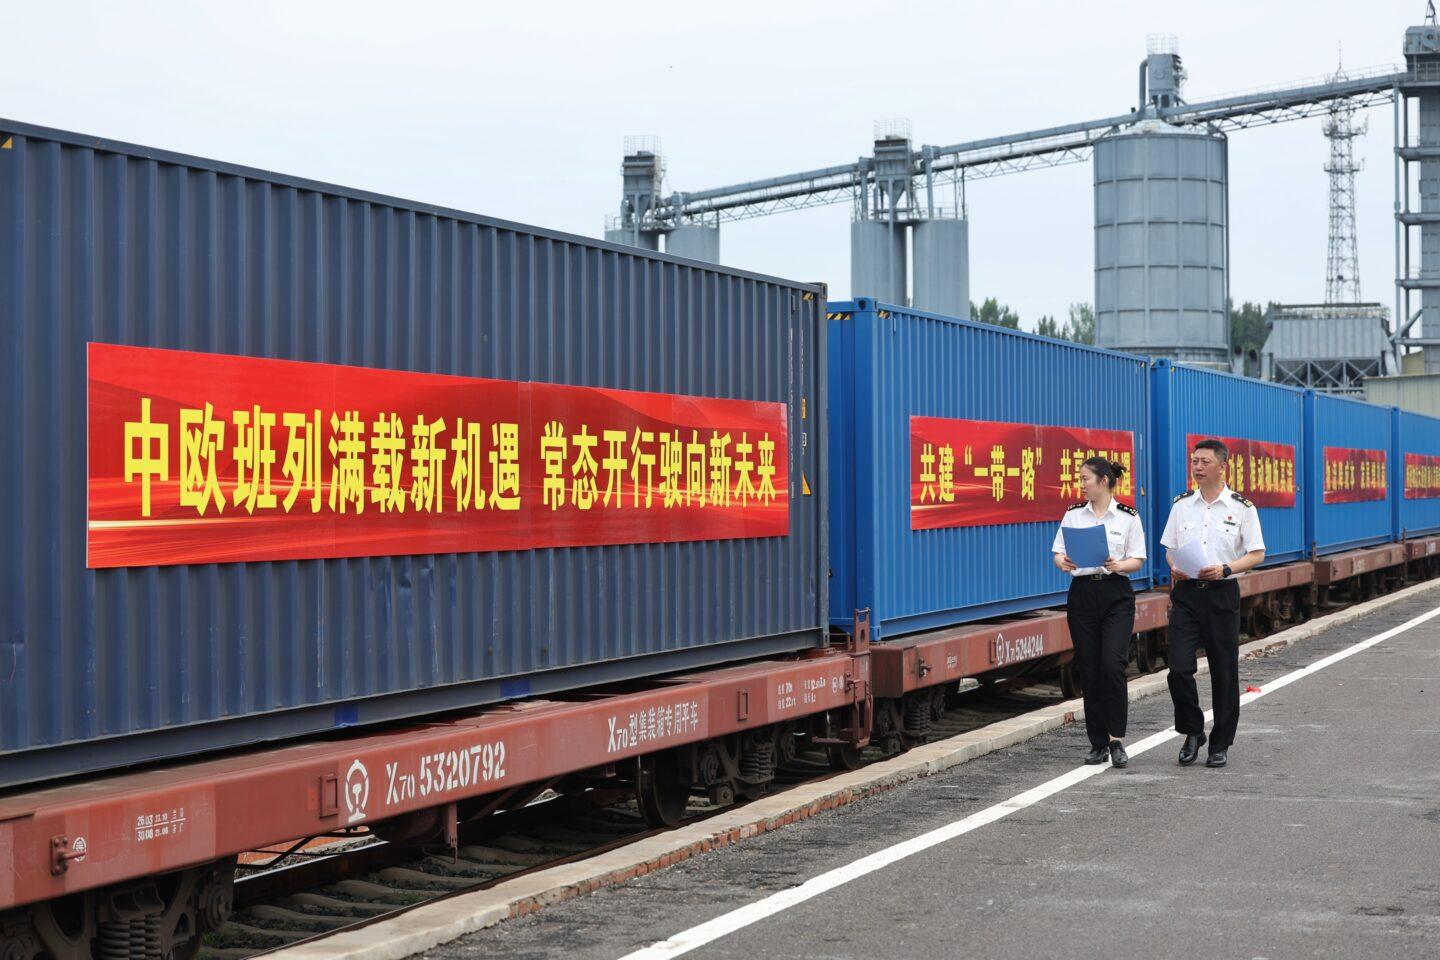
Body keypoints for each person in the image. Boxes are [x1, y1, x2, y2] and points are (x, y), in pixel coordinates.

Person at [1159, 438, 1265, 769]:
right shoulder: (1181, 506)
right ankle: (1193, 731)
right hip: (1187, 593)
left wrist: (1226, 569)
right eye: (1194, 461)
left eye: (1205, 462)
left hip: (1222, 594)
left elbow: (1257, 554)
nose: (1198, 467)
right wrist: (1173, 565)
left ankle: (1220, 743)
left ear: (1222, 467)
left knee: (1224, 671)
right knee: (1178, 669)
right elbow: (1170, 548)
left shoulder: (1242, 508)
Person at [1052, 456, 1146, 767]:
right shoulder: (1073, 514)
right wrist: (1063, 562)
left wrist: (1120, 565)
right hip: (1082, 594)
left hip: (1116, 593)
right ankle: (1098, 743)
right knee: (1089, 669)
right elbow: (1058, 553)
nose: (1081, 485)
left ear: (1103, 481)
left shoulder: (1128, 517)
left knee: (1112, 665)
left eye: (1085, 479)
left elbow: (1137, 560)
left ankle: (1116, 738)